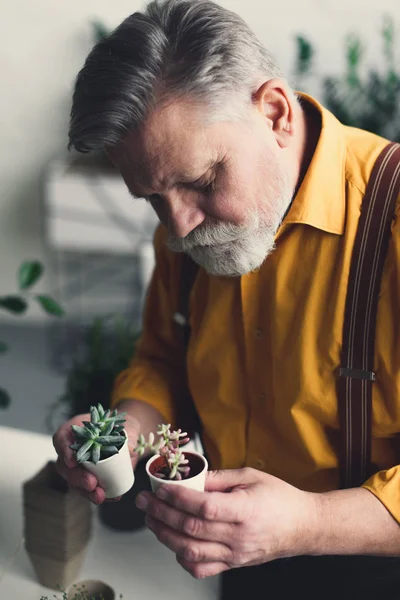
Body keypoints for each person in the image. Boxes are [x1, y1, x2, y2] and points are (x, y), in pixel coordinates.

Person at [53, 0, 400, 597]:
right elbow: (161, 358)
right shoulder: (183, 223)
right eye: (153, 199)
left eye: (202, 181)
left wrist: (310, 524)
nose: (180, 229)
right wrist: (125, 431)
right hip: (235, 566)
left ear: (274, 113)